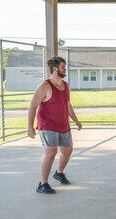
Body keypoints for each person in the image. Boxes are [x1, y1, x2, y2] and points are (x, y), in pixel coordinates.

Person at [28, 57, 82, 194]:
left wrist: (76, 120)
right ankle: (43, 184)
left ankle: (59, 173)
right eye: (63, 67)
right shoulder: (45, 86)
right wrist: (30, 126)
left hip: (63, 124)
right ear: (55, 69)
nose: (65, 69)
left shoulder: (66, 85)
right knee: (51, 154)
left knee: (67, 151)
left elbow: (67, 104)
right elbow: (33, 106)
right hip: (48, 125)